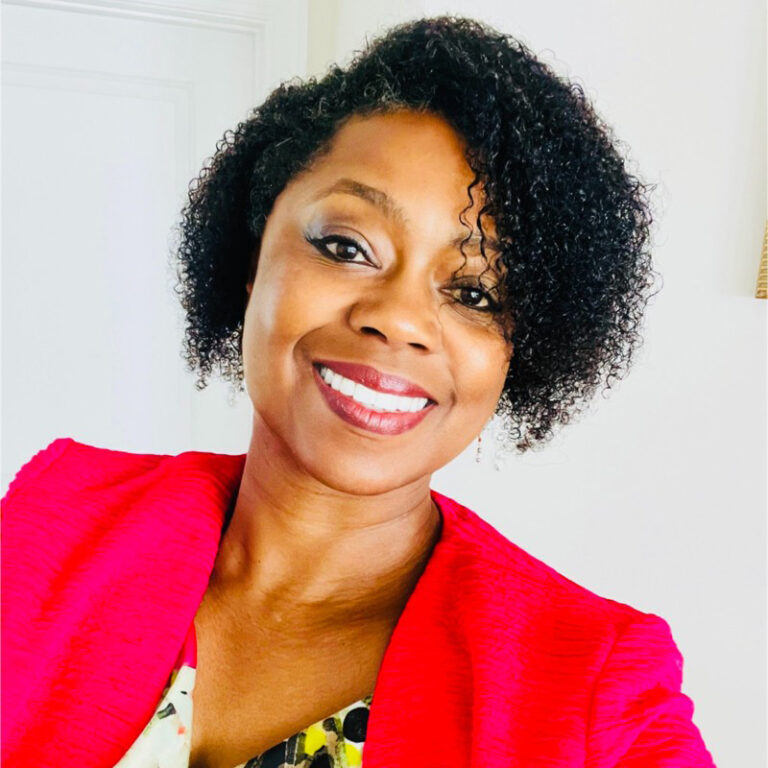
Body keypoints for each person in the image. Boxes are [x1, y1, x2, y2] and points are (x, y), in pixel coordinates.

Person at [1, 15, 716, 768]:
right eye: (346, 246)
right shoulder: (53, 518)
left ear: (518, 355)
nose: (398, 319)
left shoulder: (597, 697)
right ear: (252, 260)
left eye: (474, 293)